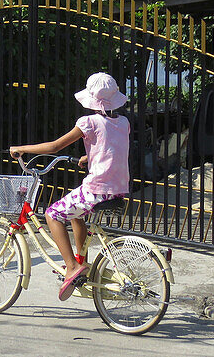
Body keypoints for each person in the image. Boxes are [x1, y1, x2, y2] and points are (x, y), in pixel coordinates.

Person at [10, 71, 131, 301]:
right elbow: (111, 148)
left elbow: (55, 146)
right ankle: (81, 260)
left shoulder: (89, 122)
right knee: (76, 214)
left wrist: (22, 148)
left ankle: (71, 267)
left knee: (52, 214)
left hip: (96, 188)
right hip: (118, 187)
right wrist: (90, 157)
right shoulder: (123, 122)